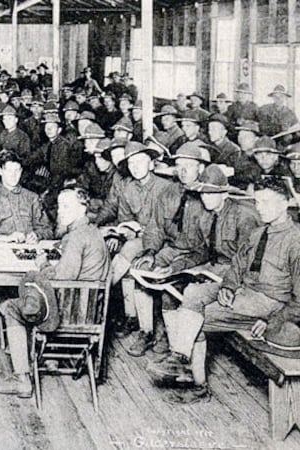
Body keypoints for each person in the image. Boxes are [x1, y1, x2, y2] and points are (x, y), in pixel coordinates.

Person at [157, 177, 298, 403]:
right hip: (244, 291)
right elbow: (238, 265)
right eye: (257, 202)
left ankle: (195, 381)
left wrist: (274, 319)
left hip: (269, 300)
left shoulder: (296, 241)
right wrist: (229, 285)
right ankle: (180, 358)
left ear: (285, 204)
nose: (260, 208)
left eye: (267, 202)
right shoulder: (258, 233)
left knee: (199, 319)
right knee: (192, 292)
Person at [147, 165, 261, 396]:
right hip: (215, 268)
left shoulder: (245, 217)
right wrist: (175, 267)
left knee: (192, 296)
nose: (206, 198)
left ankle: (179, 359)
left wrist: (225, 281)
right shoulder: (207, 215)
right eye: (203, 193)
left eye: (211, 193)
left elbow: (250, 263)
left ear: (224, 193)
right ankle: (181, 362)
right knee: (173, 288)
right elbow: (200, 251)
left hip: (240, 278)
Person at [0, 188, 110, 396]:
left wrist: (43, 264)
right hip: (89, 315)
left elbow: (62, 280)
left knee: (11, 307)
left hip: (67, 314)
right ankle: (50, 357)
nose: (60, 212)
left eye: (66, 207)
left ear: (83, 208)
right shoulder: (92, 232)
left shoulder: (76, 239)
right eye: (60, 206)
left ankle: (22, 380)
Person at [128, 142, 214, 356]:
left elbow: (207, 248)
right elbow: (156, 228)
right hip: (172, 248)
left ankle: (169, 335)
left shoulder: (207, 197)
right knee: (142, 271)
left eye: (189, 165)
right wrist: (149, 251)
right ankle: (146, 331)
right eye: (179, 165)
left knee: (169, 289)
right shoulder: (168, 193)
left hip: (198, 257)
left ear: (200, 168)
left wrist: (177, 265)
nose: (183, 171)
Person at [108, 141, 177, 337]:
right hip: (140, 239)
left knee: (130, 252)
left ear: (151, 164)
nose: (135, 167)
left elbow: (170, 227)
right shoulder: (128, 188)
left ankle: (101, 293)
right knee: (129, 259)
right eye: (131, 164)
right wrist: (128, 230)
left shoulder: (167, 188)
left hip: (164, 242)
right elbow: (124, 218)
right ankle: (131, 318)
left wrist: (141, 234)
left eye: (140, 161)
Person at [0, 150, 53, 242]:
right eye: (9, 170)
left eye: (17, 170)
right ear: (0, 171)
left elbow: (47, 229)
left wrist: (37, 235)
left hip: (29, 249)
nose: (13, 175)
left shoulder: (32, 198)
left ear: (21, 171)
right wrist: (4, 238)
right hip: (3, 249)